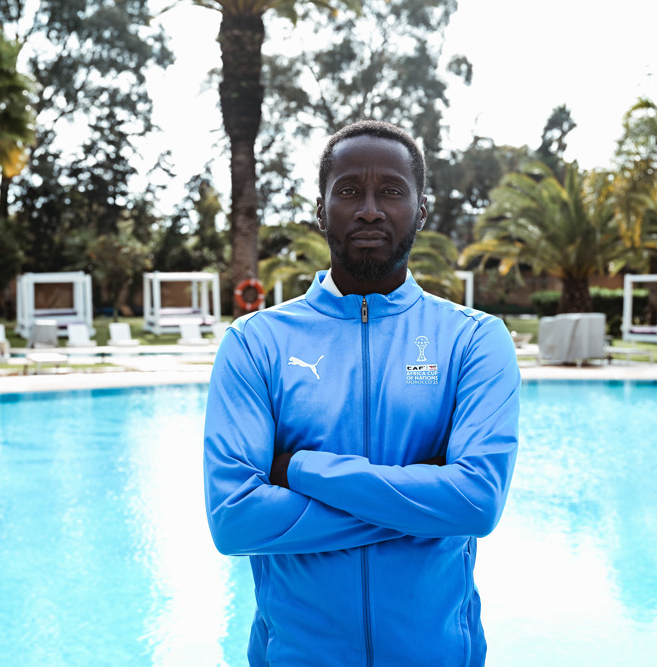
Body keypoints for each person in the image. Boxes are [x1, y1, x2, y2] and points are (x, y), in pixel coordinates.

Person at [203, 120, 520, 666]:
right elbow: (234, 521)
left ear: (421, 210)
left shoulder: (473, 340)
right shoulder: (255, 343)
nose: (370, 210)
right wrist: (426, 503)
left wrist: (299, 469)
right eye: (349, 190)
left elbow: (476, 502)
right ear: (321, 209)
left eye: (391, 191)